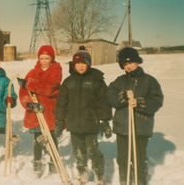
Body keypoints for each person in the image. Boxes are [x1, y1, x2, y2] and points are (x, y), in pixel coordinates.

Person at [55, 46, 112, 185]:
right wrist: (60, 120)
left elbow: (104, 101)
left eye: (83, 63)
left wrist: (105, 120)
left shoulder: (96, 80)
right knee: (79, 152)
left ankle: (99, 175)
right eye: (77, 63)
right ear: (73, 65)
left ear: (88, 64)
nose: (80, 66)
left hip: (91, 123)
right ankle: (83, 174)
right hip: (74, 124)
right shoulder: (68, 81)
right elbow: (62, 102)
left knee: (93, 151)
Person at [107, 47, 164, 185]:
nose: (129, 66)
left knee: (138, 158)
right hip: (123, 127)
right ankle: (124, 181)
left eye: (131, 62)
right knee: (123, 158)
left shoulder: (149, 81)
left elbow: (157, 101)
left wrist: (139, 102)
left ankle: (140, 181)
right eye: (125, 64)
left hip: (141, 127)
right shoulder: (120, 81)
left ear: (137, 62)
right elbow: (110, 97)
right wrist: (124, 97)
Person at [18, 45, 62, 176]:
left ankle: (54, 164)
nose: (44, 61)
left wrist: (29, 85)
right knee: (37, 140)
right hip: (35, 113)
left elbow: (49, 89)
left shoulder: (56, 71)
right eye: (41, 58)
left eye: (47, 58)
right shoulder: (32, 73)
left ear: (52, 58)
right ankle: (37, 164)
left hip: (49, 112)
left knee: (51, 139)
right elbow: (23, 93)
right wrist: (29, 104)